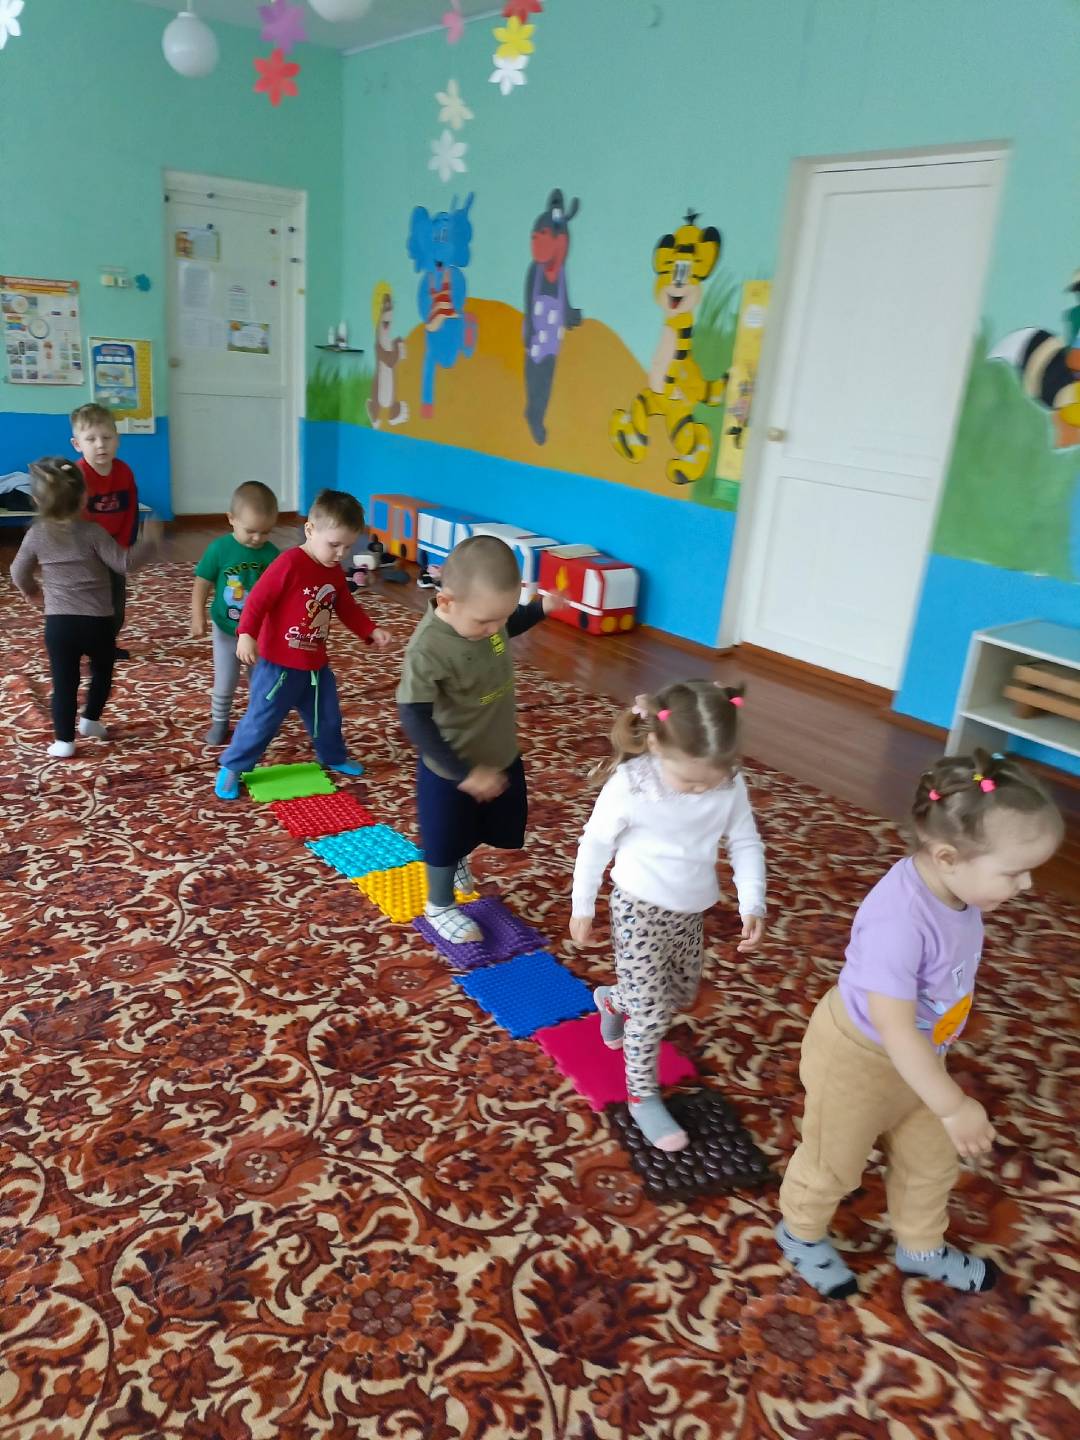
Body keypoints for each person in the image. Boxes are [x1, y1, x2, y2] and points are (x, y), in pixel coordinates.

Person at [776, 750, 1063, 1299]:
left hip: (922, 1056)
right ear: (947, 856)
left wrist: (939, 1092)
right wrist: (952, 1105)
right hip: (859, 1057)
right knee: (834, 1163)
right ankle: (800, 1231)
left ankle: (920, 1246)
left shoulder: (955, 887)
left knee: (931, 1161)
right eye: (1013, 872)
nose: (1027, 885)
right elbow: (895, 1029)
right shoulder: (899, 921)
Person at [569, 681, 767, 1151]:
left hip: (690, 910)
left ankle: (613, 1001)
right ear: (656, 745)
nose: (701, 789)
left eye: (709, 780)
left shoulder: (729, 781)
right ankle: (643, 1095)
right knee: (653, 1012)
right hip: (637, 908)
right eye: (690, 780)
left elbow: (744, 841)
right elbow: (595, 844)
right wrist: (583, 905)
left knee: (679, 994)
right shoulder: (632, 784)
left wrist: (752, 901)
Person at [396, 534, 562, 945]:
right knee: (443, 835)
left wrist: (538, 609)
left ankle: (459, 860)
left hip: (497, 750)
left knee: (480, 825)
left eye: (500, 618)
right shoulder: (428, 649)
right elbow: (413, 714)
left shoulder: (488, 620)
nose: (495, 629)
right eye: (485, 622)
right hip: (452, 765)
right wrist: (461, 772)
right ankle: (439, 905)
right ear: (447, 601)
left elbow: (509, 624)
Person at [214, 489, 391, 800]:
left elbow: (346, 606)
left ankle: (333, 755)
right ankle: (234, 765)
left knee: (328, 717)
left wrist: (370, 630)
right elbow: (257, 600)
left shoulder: (334, 570)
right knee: (262, 720)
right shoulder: (289, 563)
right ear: (310, 530)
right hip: (278, 667)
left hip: (315, 667)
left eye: (348, 547)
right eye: (334, 544)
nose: (340, 554)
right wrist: (246, 634)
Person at [9, 457, 159, 758]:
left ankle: (64, 741)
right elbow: (124, 563)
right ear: (83, 497)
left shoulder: (36, 534)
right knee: (102, 672)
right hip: (98, 623)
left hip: (60, 626)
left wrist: (32, 591)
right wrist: (151, 541)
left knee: (64, 682)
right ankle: (91, 719)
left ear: (36, 500)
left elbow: (17, 571)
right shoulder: (94, 532)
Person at [191, 481, 280, 746]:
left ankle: (258, 721)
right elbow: (202, 583)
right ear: (231, 519)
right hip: (226, 629)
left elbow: (281, 592)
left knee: (261, 681)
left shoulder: (272, 554)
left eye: (265, 532)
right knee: (226, 680)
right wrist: (197, 615)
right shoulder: (219, 549)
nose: (258, 538)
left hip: (259, 633)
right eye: (250, 531)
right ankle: (220, 722)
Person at [70, 403, 139, 660]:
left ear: (117, 440)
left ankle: (106, 645)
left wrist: (125, 544)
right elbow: (72, 519)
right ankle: (83, 644)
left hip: (115, 549)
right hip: (85, 553)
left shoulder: (124, 471)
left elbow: (131, 508)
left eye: (107, 437)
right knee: (87, 603)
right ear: (77, 444)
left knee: (116, 603)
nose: (100, 445)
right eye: (91, 439)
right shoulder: (77, 476)